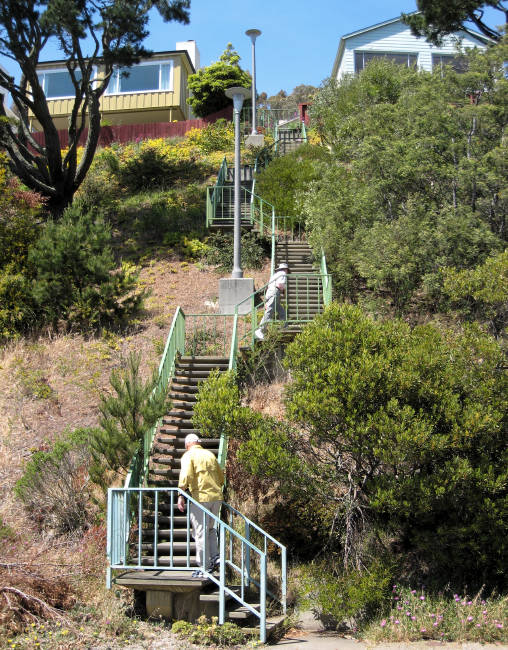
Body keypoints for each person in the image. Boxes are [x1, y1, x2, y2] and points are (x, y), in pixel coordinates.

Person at [177, 433, 224, 578]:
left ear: (188, 444)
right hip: (216, 497)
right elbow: (221, 477)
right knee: (210, 528)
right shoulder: (210, 455)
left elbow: (186, 475)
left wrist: (181, 494)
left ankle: (204, 567)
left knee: (200, 532)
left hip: (201, 498)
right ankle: (215, 556)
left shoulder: (188, 455)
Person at [254, 262, 289, 340]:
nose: (287, 271)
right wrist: (284, 291)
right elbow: (280, 285)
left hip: (270, 292)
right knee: (269, 311)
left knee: (281, 311)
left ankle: (284, 326)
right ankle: (260, 329)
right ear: (285, 269)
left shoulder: (275, 275)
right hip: (274, 292)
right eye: (287, 270)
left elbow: (270, 285)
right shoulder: (283, 273)